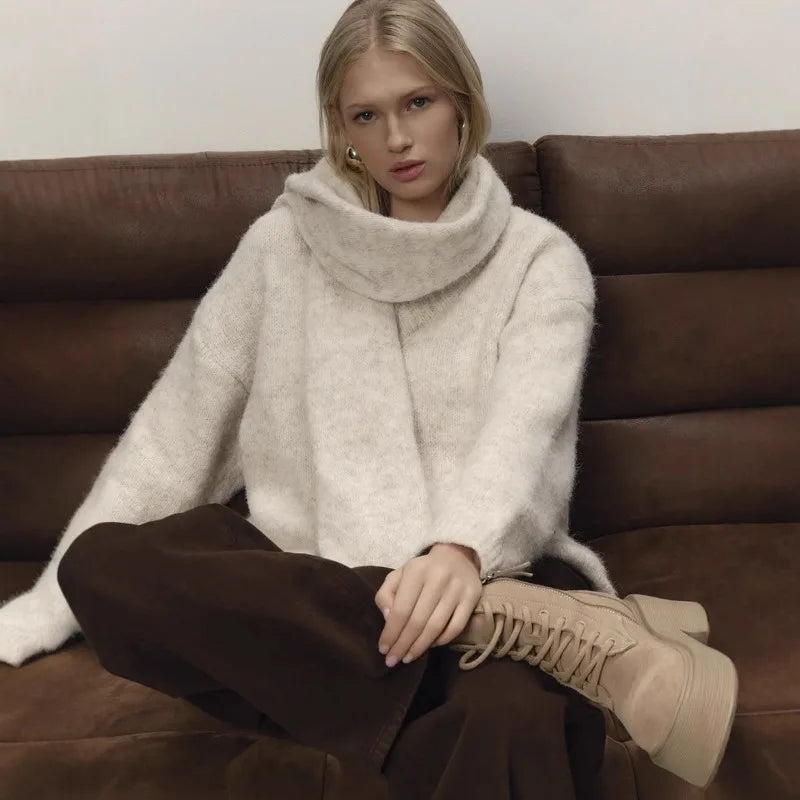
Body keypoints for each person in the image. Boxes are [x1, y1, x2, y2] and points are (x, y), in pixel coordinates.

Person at [0, 1, 737, 798]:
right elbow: (177, 433)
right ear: (340, 126)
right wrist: (47, 606)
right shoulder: (280, 248)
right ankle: (534, 636)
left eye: (418, 102)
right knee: (103, 564)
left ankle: (491, 621)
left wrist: (459, 550)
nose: (396, 138)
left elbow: (522, 438)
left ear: (463, 101)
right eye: (367, 113)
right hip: (308, 583)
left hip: (488, 569)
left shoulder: (539, 262)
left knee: (508, 721)